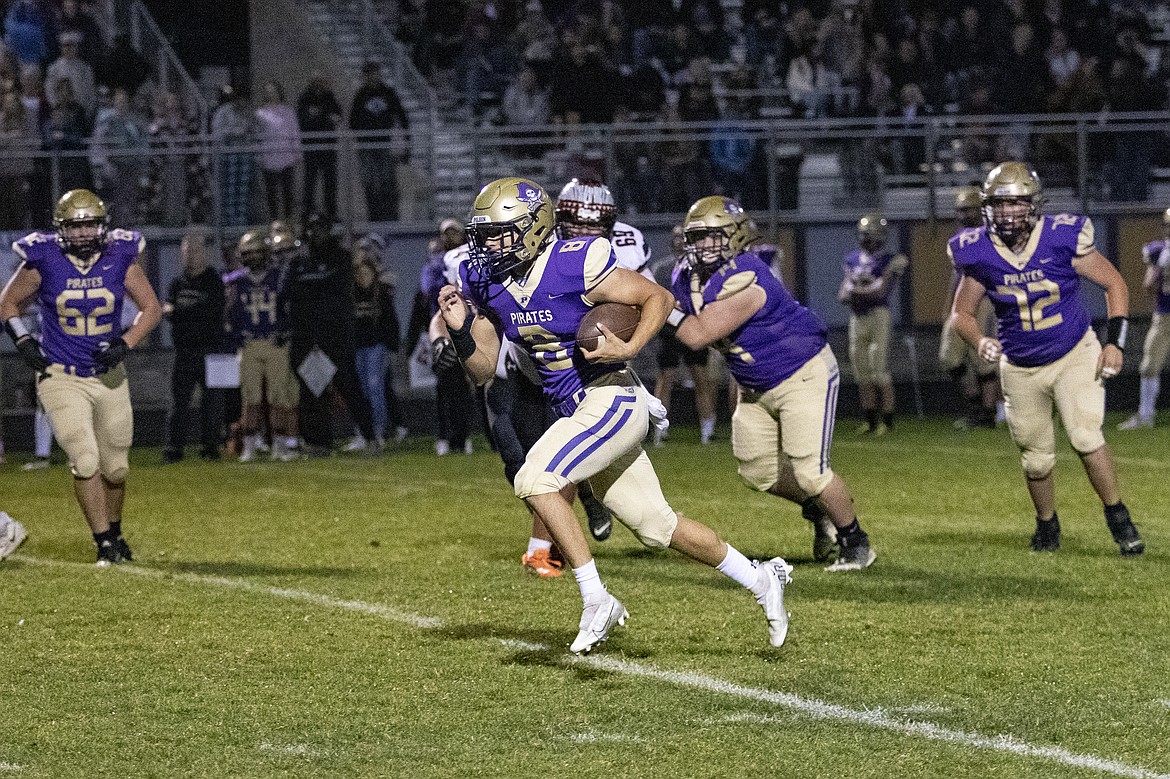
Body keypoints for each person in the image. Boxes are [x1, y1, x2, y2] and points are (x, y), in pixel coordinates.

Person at [438, 177, 793, 654]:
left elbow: (658, 299)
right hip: (571, 407)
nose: (487, 244)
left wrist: (631, 345)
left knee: (535, 479)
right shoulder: (486, 279)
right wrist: (461, 332)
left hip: (611, 397)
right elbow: (483, 370)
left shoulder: (574, 261)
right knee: (656, 526)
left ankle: (595, 597)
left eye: (499, 232)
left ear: (534, 228)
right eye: (484, 233)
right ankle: (761, 578)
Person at [669, 196, 876, 570]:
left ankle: (855, 542)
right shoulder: (685, 277)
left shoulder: (747, 275)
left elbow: (698, 333)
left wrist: (654, 305)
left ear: (736, 236)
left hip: (802, 374)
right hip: (752, 383)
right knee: (757, 472)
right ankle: (819, 510)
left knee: (811, 472)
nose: (702, 246)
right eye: (697, 237)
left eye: (712, 237)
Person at [949, 161, 1144, 556]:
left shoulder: (1061, 236)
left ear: (1033, 204)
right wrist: (978, 340)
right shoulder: (979, 250)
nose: (1006, 213)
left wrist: (1115, 343)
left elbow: (1114, 283)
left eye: (1016, 204)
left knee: (1086, 436)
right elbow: (962, 313)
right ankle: (1047, 524)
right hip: (1020, 364)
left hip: (1074, 351)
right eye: (998, 205)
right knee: (1036, 459)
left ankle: (1118, 517)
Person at [0, 189, 162, 565]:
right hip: (61, 374)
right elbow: (7, 303)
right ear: (61, 230)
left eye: (90, 224)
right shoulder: (43, 258)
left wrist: (126, 342)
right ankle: (103, 540)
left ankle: (116, 531)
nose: (85, 233)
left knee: (117, 467)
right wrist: (23, 340)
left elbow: (151, 307)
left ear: (102, 225)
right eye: (76, 226)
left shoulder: (121, 255)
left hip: (108, 373)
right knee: (85, 459)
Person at [284, 213, 377, 454]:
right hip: (307, 337)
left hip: (337, 337)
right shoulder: (298, 263)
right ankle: (317, 442)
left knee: (348, 385)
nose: (318, 234)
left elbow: (348, 289)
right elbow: (287, 296)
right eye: (313, 229)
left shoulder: (341, 259)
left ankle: (368, 435)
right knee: (312, 389)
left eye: (322, 229)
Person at [224, 229, 298, 462]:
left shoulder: (280, 277)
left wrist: (286, 331)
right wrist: (235, 335)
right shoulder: (236, 282)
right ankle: (249, 445)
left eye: (257, 253)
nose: (253, 258)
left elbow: (290, 308)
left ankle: (280, 443)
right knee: (250, 397)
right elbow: (229, 314)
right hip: (250, 343)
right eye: (248, 253)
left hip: (274, 341)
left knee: (279, 396)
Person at [838, 213, 908, 435]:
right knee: (861, 372)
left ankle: (887, 422)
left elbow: (881, 292)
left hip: (879, 315)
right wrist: (863, 289)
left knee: (879, 370)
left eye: (870, 235)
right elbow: (842, 294)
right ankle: (869, 421)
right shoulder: (852, 259)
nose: (866, 239)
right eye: (863, 235)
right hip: (857, 318)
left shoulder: (891, 259)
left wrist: (856, 289)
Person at [938, 186, 1001, 430]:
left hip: (983, 300)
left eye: (970, 209)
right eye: (961, 210)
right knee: (950, 358)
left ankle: (986, 414)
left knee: (982, 359)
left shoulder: (989, 235)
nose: (965, 215)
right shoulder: (961, 237)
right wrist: (949, 304)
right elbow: (956, 278)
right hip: (962, 302)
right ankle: (978, 408)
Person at [649, 224, 717, 447]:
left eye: (682, 237)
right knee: (665, 378)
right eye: (676, 237)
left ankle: (708, 428)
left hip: (694, 326)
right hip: (669, 329)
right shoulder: (662, 268)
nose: (679, 241)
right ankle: (659, 430)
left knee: (700, 378)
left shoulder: (698, 268)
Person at [162, 227, 225, 463]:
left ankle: (210, 448)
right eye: (187, 251)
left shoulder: (213, 281)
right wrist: (182, 312)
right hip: (184, 351)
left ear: (204, 253)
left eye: (195, 251)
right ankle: (173, 449)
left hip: (211, 350)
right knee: (179, 403)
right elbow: (166, 310)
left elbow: (209, 311)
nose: (191, 256)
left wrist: (179, 311)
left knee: (213, 402)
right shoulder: (177, 283)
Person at [1117, 208, 1170, 430]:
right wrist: (1160, 269)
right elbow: (1148, 286)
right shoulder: (1158, 250)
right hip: (1164, 315)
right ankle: (1146, 415)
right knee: (1149, 365)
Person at [349, 60, 409, 222]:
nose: (374, 78)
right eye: (370, 75)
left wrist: (405, 144)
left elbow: (402, 117)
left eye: (376, 74)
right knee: (369, 183)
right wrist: (364, 135)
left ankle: (392, 217)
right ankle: (374, 217)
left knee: (387, 182)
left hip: (385, 144)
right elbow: (353, 120)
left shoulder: (388, 93)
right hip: (367, 146)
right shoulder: (361, 95)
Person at [352, 253, 397, 448]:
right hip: (357, 347)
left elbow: (391, 321)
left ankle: (377, 431)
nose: (364, 277)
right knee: (359, 391)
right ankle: (362, 432)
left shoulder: (381, 295)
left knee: (375, 388)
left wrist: (391, 346)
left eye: (367, 272)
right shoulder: (351, 295)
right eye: (360, 273)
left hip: (376, 347)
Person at [297, 71, 342, 220]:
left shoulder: (329, 96)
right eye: (317, 81)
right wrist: (325, 118)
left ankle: (331, 213)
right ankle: (307, 213)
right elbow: (304, 120)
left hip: (328, 147)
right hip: (312, 147)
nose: (320, 84)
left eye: (322, 81)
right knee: (310, 181)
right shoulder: (305, 98)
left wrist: (320, 116)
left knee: (330, 182)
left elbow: (338, 115)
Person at [254, 80, 301, 220]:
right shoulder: (260, 113)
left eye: (273, 91)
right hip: (268, 157)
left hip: (286, 155)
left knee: (287, 191)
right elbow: (257, 135)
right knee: (271, 193)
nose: (271, 94)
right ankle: (274, 221)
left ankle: (288, 221)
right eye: (268, 92)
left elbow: (294, 131)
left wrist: (297, 151)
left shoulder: (288, 111)